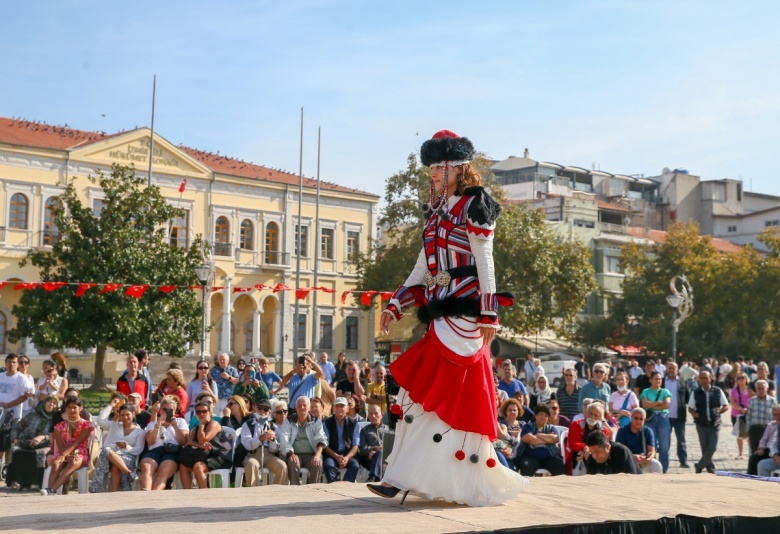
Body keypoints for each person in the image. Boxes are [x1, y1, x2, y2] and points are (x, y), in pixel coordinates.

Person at [369, 130, 529, 507]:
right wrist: (396, 304)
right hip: (440, 314)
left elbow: (485, 262)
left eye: (440, 168)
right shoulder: (437, 212)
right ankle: (402, 475)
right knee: (418, 396)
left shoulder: (476, 205)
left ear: (459, 167)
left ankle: (406, 477)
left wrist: (489, 313)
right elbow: (423, 267)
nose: (434, 175)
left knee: (439, 396)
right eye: (431, 169)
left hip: (465, 317)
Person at [90, 402, 144, 492]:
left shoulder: (140, 431)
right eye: (122, 415)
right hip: (108, 457)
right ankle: (129, 473)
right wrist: (110, 405)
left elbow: (139, 449)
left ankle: (115, 493)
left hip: (128, 457)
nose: (125, 417)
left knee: (113, 462)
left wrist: (127, 447)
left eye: (127, 415)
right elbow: (100, 421)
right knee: (107, 449)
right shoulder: (114, 425)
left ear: (133, 414)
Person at [6, 395, 56, 490]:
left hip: (44, 443)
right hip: (25, 440)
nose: (51, 405)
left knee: (40, 454)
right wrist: (15, 439)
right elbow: (17, 427)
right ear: (44, 403)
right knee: (16, 450)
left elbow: (56, 435)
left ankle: (38, 481)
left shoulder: (54, 419)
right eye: (50, 402)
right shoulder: (32, 415)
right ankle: (18, 481)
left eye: (54, 403)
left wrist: (43, 437)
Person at [138, 396, 189, 490]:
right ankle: (146, 495)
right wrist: (157, 426)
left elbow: (183, 442)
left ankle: (154, 497)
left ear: (174, 411)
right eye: (164, 409)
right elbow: (150, 441)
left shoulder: (180, 422)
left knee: (163, 471)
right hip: (155, 450)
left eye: (170, 410)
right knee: (146, 467)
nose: (166, 412)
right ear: (160, 410)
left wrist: (175, 427)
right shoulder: (153, 424)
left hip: (172, 451)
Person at [45, 397, 93, 494]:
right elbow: (59, 444)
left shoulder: (87, 425)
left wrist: (64, 455)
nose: (72, 410)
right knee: (56, 462)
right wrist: (64, 456)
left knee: (73, 462)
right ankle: (49, 490)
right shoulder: (59, 427)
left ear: (80, 408)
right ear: (65, 409)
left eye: (74, 407)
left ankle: (51, 489)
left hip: (80, 452)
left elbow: (77, 443)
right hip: (64, 452)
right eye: (69, 407)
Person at [277, 396, 327, 485]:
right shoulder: (289, 420)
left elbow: (321, 439)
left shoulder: (316, 421)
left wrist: (317, 455)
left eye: (304, 405)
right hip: (295, 454)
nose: (302, 407)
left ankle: (313, 490)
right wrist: (291, 454)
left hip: (311, 455)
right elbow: (284, 439)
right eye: (299, 405)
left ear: (309, 407)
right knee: (292, 462)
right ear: (296, 408)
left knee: (317, 463)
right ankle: (295, 490)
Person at [688, 370, 729, 474]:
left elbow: (726, 405)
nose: (704, 380)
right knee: (705, 448)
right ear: (699, 380)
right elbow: (690, 408)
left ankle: (699, 465)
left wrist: (718, 412)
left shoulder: (717, 391)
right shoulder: (696, 392)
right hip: (701, 424)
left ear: (710, 379)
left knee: (712, 447)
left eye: (706, 378)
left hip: (715, 424)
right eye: (702, 378)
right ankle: (710, 468)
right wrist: (696, 415)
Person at [239, 400, 287, 485]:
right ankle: (254, 492)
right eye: (260, 408)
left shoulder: (273, 426)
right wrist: (260, 438)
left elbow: (275, 449)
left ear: (269, 412)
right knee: (251, 464)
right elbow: (248, 445)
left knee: (282, 466)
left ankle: (277, 493)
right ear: (255, 409)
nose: (262, 412)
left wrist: (272, 440)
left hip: (269, 455)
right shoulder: (248, 425)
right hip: (253, 454)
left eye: (265, 410)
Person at [514, 404, 565, 476]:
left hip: (549, 457)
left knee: (559, 466)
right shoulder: (528, 426)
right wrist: (547, 439)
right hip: (530, 457)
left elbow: (555, 439)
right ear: (535, 416)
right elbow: (527, 438)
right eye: (541, 414)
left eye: (546, 416)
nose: (543, 417)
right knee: (526, 466)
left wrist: (538, 435)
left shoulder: (551, 428)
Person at [1, 354, 33, 463]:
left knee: (9, 440)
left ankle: (8, 465)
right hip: (0, 413)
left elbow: (25, 396)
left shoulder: (21, 378)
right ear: (5, 363)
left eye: (14, 362)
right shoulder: (1, 376)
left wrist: (9, 405)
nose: (11, 364)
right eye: (9, 362)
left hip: (13, 415)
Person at [639, 371, 672, 473]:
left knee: (664, 446)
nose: (658, 380)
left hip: (663, 418)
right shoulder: (645, 391)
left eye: (660, 379)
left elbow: (666, 405)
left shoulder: (665, 391)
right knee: (651, 445)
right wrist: (658, 403)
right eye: (656, 378)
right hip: (650, 419)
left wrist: (652, 404)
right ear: (651, 380)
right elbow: (645, 404)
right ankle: (652, 468)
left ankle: (664, 470)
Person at [322, 397, 361, 483]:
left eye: (342, 406)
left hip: (348, 454)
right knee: (328, 465)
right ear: (333, 408)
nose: (339, 408)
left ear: (347, 408)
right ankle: (334, 487)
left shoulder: (354, 423)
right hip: (332, 454)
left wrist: (346, 457)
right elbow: (325, 445)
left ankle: (344, 487)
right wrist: (336, 456)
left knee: (355, 465)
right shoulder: (326, 423)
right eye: (337, 406)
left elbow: (355, 446)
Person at [567, 401, 612, 473]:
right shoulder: (576, 425)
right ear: (586, 413)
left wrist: (589, 450)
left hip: (596, 453)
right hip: (578, 453)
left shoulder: (603, 429)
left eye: (596, 415)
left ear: (600, 417)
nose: (592, 417)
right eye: (590, 413)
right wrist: (584, 448)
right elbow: (572, 443)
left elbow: (603, 446)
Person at [615, 408, 663, 474]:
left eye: (641, 419)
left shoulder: (648, 431)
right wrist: (633, 457)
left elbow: (652, 451)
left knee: (657, 465)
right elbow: (618, 451)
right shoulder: (622, 431)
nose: (638, 421)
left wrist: (648, 458)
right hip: (627, 460)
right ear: (631, 418)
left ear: (644, 420)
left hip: (643, 461)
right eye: (636, 418)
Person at [748, 403, 780, 475]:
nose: (777, 417)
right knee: (754, 459)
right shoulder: (771, 425)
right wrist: (761, 448)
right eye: (775, 415)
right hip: (770, 450)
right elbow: (764, 439)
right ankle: (751, 478)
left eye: (779, 414)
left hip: (777, 450)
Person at [745, 380, 775, 454]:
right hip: (755, 430)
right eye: (759, 388)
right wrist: (748, 430)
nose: (761, 390)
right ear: (756, 389)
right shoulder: (752, 401)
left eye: (763, 388)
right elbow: (748, 416)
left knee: (768, 452)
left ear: (767, 389)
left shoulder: (772, 401)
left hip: (768, 430)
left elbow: (776, 416)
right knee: (755, 452)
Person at [359, 404, 385, 482]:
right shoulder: (364, 430)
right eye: (371, 414)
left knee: (379, 453)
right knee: (379, 453)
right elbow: (363, 449)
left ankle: (373, 478)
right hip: (369, 459)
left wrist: (377, 452)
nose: (373, 416)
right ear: (368, 417)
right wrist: (375, 449)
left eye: (376, 413)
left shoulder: (388, 430)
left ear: (382, 415)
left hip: (386, 459)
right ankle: (374, 477)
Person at [729, 371, 751, 460]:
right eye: (739, 378)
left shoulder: (750, 389)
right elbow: (732, 402)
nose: (741, 380)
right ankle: (741, 453)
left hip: (748, 413)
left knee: (749, 433)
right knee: (739, 434)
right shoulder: (734, 390)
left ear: (746, 379)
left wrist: (748, 410)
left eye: (743, 378)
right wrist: (741, 409)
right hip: (736, 414)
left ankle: (751, 452)